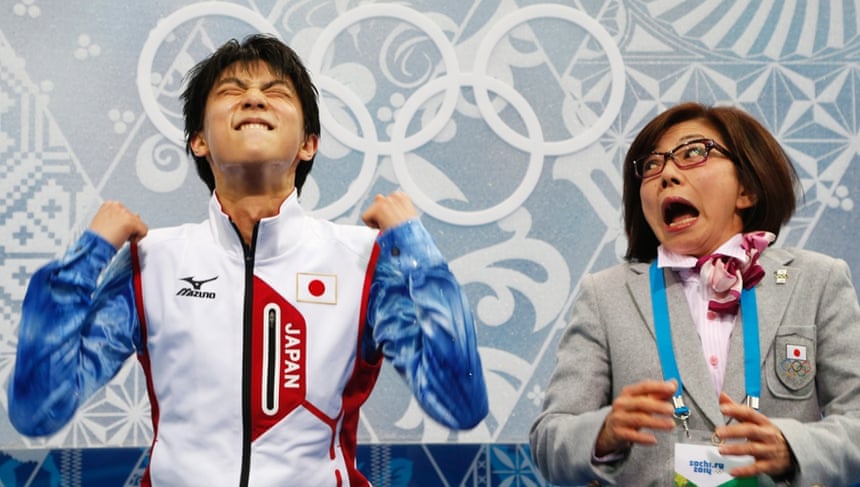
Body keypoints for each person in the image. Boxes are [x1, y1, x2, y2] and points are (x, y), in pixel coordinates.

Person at [8, 34, 488, 486]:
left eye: (275, 92)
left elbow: (460, 403)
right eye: (231, 90)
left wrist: (416, 249)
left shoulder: (365, 262)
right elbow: (38, 408)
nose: (254, 99)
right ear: (199, 140)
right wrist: (89, 253)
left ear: (308, 144)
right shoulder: (149, 263)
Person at [530, 102, 860, 486]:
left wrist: (794, 446)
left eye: (692, 154)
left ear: (747, 189)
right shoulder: (606, 296)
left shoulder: (817, 281)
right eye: (651, 166)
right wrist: (603, 434)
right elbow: (549, 438)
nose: (666, 174)